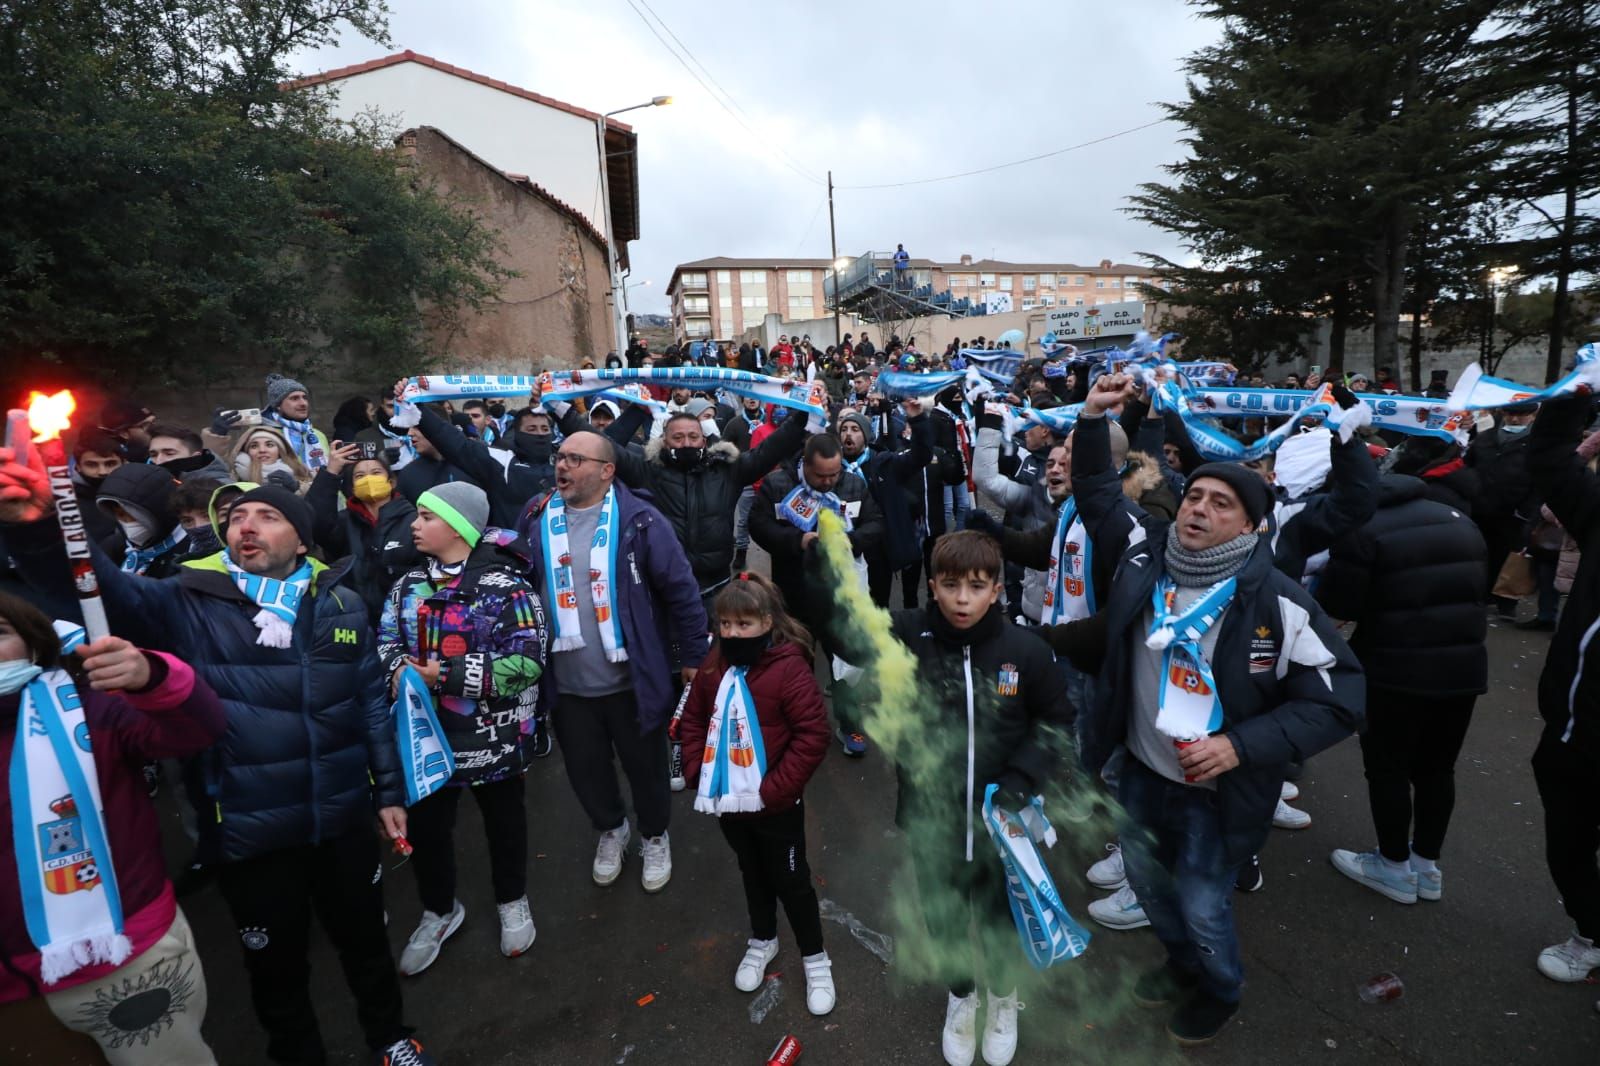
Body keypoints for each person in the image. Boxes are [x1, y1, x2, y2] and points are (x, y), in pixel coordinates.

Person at [0, 467, 437, 1065]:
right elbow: (89, 586)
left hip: (341, 818)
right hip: (248, 832)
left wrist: (388, 792)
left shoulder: (343, 603)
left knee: (366, 944)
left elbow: (367, 703)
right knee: (275, 968)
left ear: (303, 541)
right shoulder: (187, 602)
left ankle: (391, 1039)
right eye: (234, 519)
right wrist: (39, 530)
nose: (245, 526)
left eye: (267, 516)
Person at [1044, 373, 1364, 1047]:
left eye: (1221, 504)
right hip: (1139, 771)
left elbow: (1341, 698)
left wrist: (1241, 745)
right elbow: (1099, 495)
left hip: (1216, 794)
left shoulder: (1276, 601)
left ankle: (1220, 989)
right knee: (1151, 891)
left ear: (1249, 524)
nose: (1198, 510)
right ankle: (1180, 964)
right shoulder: (1142, 558)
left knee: (1202, 905)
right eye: (1194, 495)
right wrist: (1092, 417)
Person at [855, 531, 1067, 1066]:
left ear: (997, 589)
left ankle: (1001, 997)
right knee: (943, 912)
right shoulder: (908, 634)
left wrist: (1021, 780)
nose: (963, 600)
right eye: (950, 586)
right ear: (932, 586)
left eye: (977, 586)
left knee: (1000, 914)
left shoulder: (1026, 650)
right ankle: (961, 994)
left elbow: (1058, 720)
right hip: (932, 817)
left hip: (1003, 821)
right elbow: (846, 648)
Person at [0, 591, 225, 1065]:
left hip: (122, 960)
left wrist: (151, 677)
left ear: (34, 645)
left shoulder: (90, 711)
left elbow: (195, 730)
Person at [515, 431, 708, 893]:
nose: (562, 465)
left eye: (576, 459)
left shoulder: (640, 521)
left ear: (607, 471)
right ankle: (612, 829)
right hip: (567, 684)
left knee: (647, 768)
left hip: (632, 681)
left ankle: (654, 834)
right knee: (585, 769)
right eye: (560, 456)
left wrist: (694, 657)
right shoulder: (535, 515)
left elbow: (681, 592)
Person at [379, 483, 548, 975]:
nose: (414, 524)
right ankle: (439, 910)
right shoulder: (406, 585)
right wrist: (398, 672)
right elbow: (385, 637)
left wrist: (448, 676)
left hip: (495, 740)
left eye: (427, 516)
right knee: (430, 830)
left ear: (459, 527)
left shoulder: (506, 586)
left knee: (505, 825)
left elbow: (528, 661)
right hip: (425, 741)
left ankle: (511, 900)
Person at [1317, 472, 1487, 904]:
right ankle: (1426, 865)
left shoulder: (1365, 527)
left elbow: (1340, 604)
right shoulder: (1460, 520)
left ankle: (1392, 865)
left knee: (1388, 767)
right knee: (1437, 768)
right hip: (1462, 669)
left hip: (1394, 669)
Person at [677, 573, 834, 1016]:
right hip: (730, 806)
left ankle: (815, 957)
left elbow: (812, 735)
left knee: (791, 879)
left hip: (776, 806)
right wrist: (697, 771)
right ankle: (762, 939)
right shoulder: (713, 666)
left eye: (743, 625)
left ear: (767, 622)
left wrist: (774, 791)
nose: (732, 634)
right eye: (724, 625)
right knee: (752, 872)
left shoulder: (789, 669)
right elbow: (692, 720)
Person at [1524, 393, 1600, 985]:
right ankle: (1592, 929)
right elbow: (1549, 459)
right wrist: (1580, 398)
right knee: (1567, 844)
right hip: (1572, 733)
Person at [750, 433, 885, 756]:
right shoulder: (778, 485)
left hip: (842, 596)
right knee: (794, 665)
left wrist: (849, 541)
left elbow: (876, 523)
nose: (828, 482)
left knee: (848, 665)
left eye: (833, 475)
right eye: (820, 475)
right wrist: (797, 541)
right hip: (794, 594)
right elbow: (758, 525)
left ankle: (850, 723)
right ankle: (800, 727)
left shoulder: (853, 485)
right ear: (804, 466)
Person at [306, 444, 421, 624]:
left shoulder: (414, 521)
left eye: (376, 473)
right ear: (352, 487)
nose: (368, 479)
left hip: (405, 620)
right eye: (359, 476)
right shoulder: (343, 523)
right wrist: (330, 473)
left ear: (391, 482)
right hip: (353, 620)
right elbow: (314, 522)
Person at [838, 404, 934, 609]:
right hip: (843, 546)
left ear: (865, 435)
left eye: (855, 430)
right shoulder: (833, 466)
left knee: (877, 605)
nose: (848, 434)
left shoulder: (883, 463)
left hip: (878, 549)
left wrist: (917, 420)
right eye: (844, 429)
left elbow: (921, 456)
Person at [1468, 401, 1538, 618]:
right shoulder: (1486, 438)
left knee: (1512, 559)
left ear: (1533, 415)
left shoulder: (1536, 443)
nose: (1515, 420)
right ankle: (1482, 595)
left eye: (1522, 415)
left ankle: (1506, 602)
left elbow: (1540, 480)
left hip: (1515, 513)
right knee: (1481, 555)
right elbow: (1469, 467)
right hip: (1481, 509)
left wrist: (1528, 510)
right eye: (1510, 414)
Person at [94, 464, 190, 578]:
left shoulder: (192, 549)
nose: (127, 521)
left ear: (159, 511)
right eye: (120, 515)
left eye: (133, 515)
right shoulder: (115, 546)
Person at [259, 373, 330, 473]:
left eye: (304, 397)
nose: (303, 403)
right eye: (294, 398)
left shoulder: (318, 434)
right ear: (278, 405)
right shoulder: (264, 434)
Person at [70, 430, 126, 546]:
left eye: (110, 464)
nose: (102, 472)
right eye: (92, 465)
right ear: (78, 467)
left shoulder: (141, 492)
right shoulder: (68, 503)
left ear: (123, 463)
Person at [223, 424, 313, 495]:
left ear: (280, 450)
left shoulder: (302, 472)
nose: (262, 450)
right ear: (247, 452)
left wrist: (298, 488)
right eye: (254, 446)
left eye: (269, 445)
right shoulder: (235, 477)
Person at [146, 423, 229, 483]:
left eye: (169, 454)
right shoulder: (150, 482)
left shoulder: (221, 489)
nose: (159, 461)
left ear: (195, 457)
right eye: (154, 455)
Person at [97, 398, 156, 463]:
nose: (153, 428)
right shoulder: (115, 462)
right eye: (145, 425)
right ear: (124, 434)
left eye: (153, 422)